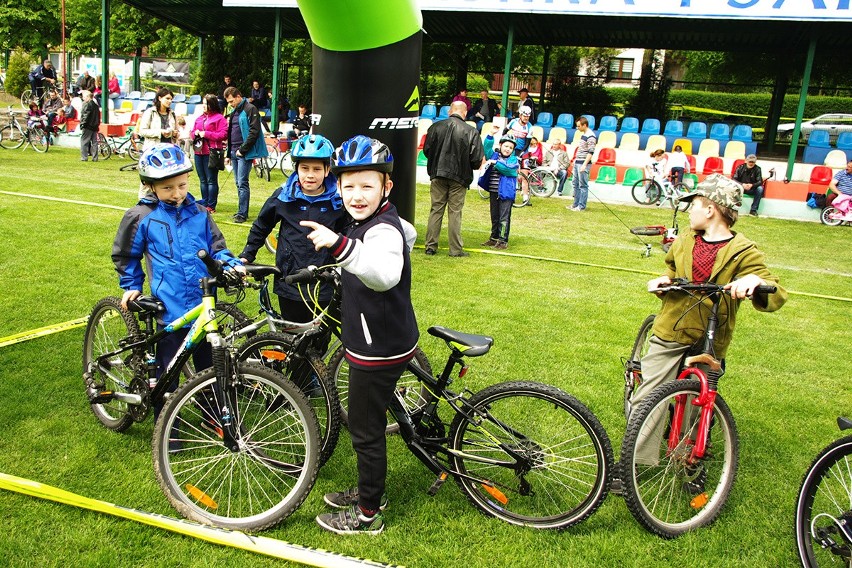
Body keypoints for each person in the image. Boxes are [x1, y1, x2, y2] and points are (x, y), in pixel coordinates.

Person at [628, 174, 787, 464]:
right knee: (649, 396)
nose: (690, 211)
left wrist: (752, 281)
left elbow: (776, 292)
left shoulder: (743, 251)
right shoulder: (686, 240)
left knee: (697, 403)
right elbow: (673, 270)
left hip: (711, 338)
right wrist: (665, 280)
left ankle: (688, 460)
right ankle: (632, 462)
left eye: (694, 205)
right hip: (671, 330)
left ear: (711, 209)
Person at [304, 135, 419, 535]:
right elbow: (406, 235)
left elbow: (385, 273)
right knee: (371, 422)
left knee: (366, 432)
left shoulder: (379, 229)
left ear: (386, 187)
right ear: (338, 187)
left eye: (367, 185)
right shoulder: (377, 221)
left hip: (378, 348)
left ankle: (368, 514)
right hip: (389, 337)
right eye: (348, 185)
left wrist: (339, 247)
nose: (356, 194)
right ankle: (372, 491)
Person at [112, 143, 243, 418]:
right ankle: (168, 427)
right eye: (168, 188)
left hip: (203, 306)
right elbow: (126, 254)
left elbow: (218, 247)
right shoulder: (142, 217)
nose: (177, 194)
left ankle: (213, 416)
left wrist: (230, 264)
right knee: (166, 372)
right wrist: (132, 286)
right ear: (150, 186)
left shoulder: (199, 213)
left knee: (209, 366)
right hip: (168, 309)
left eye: (182, 186)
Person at [239, 134, 343, 323]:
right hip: (290, 281)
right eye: (304, 168)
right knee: (293, 339)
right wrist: (248, 254)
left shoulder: (338, 201)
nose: (310, 175)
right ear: (296, 168)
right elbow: (262, 225)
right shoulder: (282, 196)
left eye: (317, 169)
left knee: (320, 340)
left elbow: (348, 234)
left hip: (324, 283)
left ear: (327, 170)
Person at [423, 100, 485, 257]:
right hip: (459, 176)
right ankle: (455, 250)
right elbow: (476, 159)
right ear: (464, 113)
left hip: (437, 173)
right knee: (455, 212)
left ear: (450, 111)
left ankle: (430, 246)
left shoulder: (435, 127)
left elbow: (426, 150)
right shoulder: (471, 131)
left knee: (436, 209)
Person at [224, 86, 268, 223]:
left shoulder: (250, 109)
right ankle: (240, 211)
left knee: (243, 182)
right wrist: (228, 153)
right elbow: (231, 133)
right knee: (238, 182)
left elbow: (254, 132)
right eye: (229, 102)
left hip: (244, 152)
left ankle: (243, 214)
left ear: (238, 96)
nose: (230, 104)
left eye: (232, 101)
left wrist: (242, 150)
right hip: (233, 151)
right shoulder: (233, 112)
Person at [478, 128, 520, 250]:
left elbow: (508, 169)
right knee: (494, 216)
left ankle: (502, 241)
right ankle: (494, 238)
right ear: (500, 145)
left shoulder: (513, 160)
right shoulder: (495, 155)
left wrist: (495, 163)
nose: (507, 149)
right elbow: (486, 149)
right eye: (506, 146)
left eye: (510, 148)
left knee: (504, 217)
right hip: (494, 191)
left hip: (506, 193)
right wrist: (490, 135)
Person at [192, 95, 228, 213]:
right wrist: (195, 134)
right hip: (199, 152)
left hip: (212, 152)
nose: (204, 106)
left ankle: (211, 205)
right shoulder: (199, 118)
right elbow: (192, 132)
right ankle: (204, 201)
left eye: (206, 103)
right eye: (202, 103)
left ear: (212, 104)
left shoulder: (219, 118)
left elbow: (223, 134)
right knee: (202, 179)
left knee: (211, 179)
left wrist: (206, 134)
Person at [569, 116, 596, 211]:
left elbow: (591, 152)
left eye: (579, 126)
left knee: (583, 185)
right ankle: (575, 204)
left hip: (583, 163)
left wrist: (584, 164)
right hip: (578, 162)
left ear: (584, 125)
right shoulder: (583, 134)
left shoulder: (591, 136)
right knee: (575, 183)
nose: (577, 128)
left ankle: (581, 206)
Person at [517, 136, 544, 206]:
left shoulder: (528, 127)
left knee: (525, 178)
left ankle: (525, 199)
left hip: (524, 156)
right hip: (515, 153)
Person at [79, 90, 100, 162]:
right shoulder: (96, 105)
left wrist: (82, 124)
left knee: (84, 142)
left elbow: (85, 116)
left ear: (88, 97)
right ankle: (95, 158)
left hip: (88, 126)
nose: (83, 98)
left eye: (84, 97)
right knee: (94, 142)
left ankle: (84, 157)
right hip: (95, 126)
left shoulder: (87, 105)